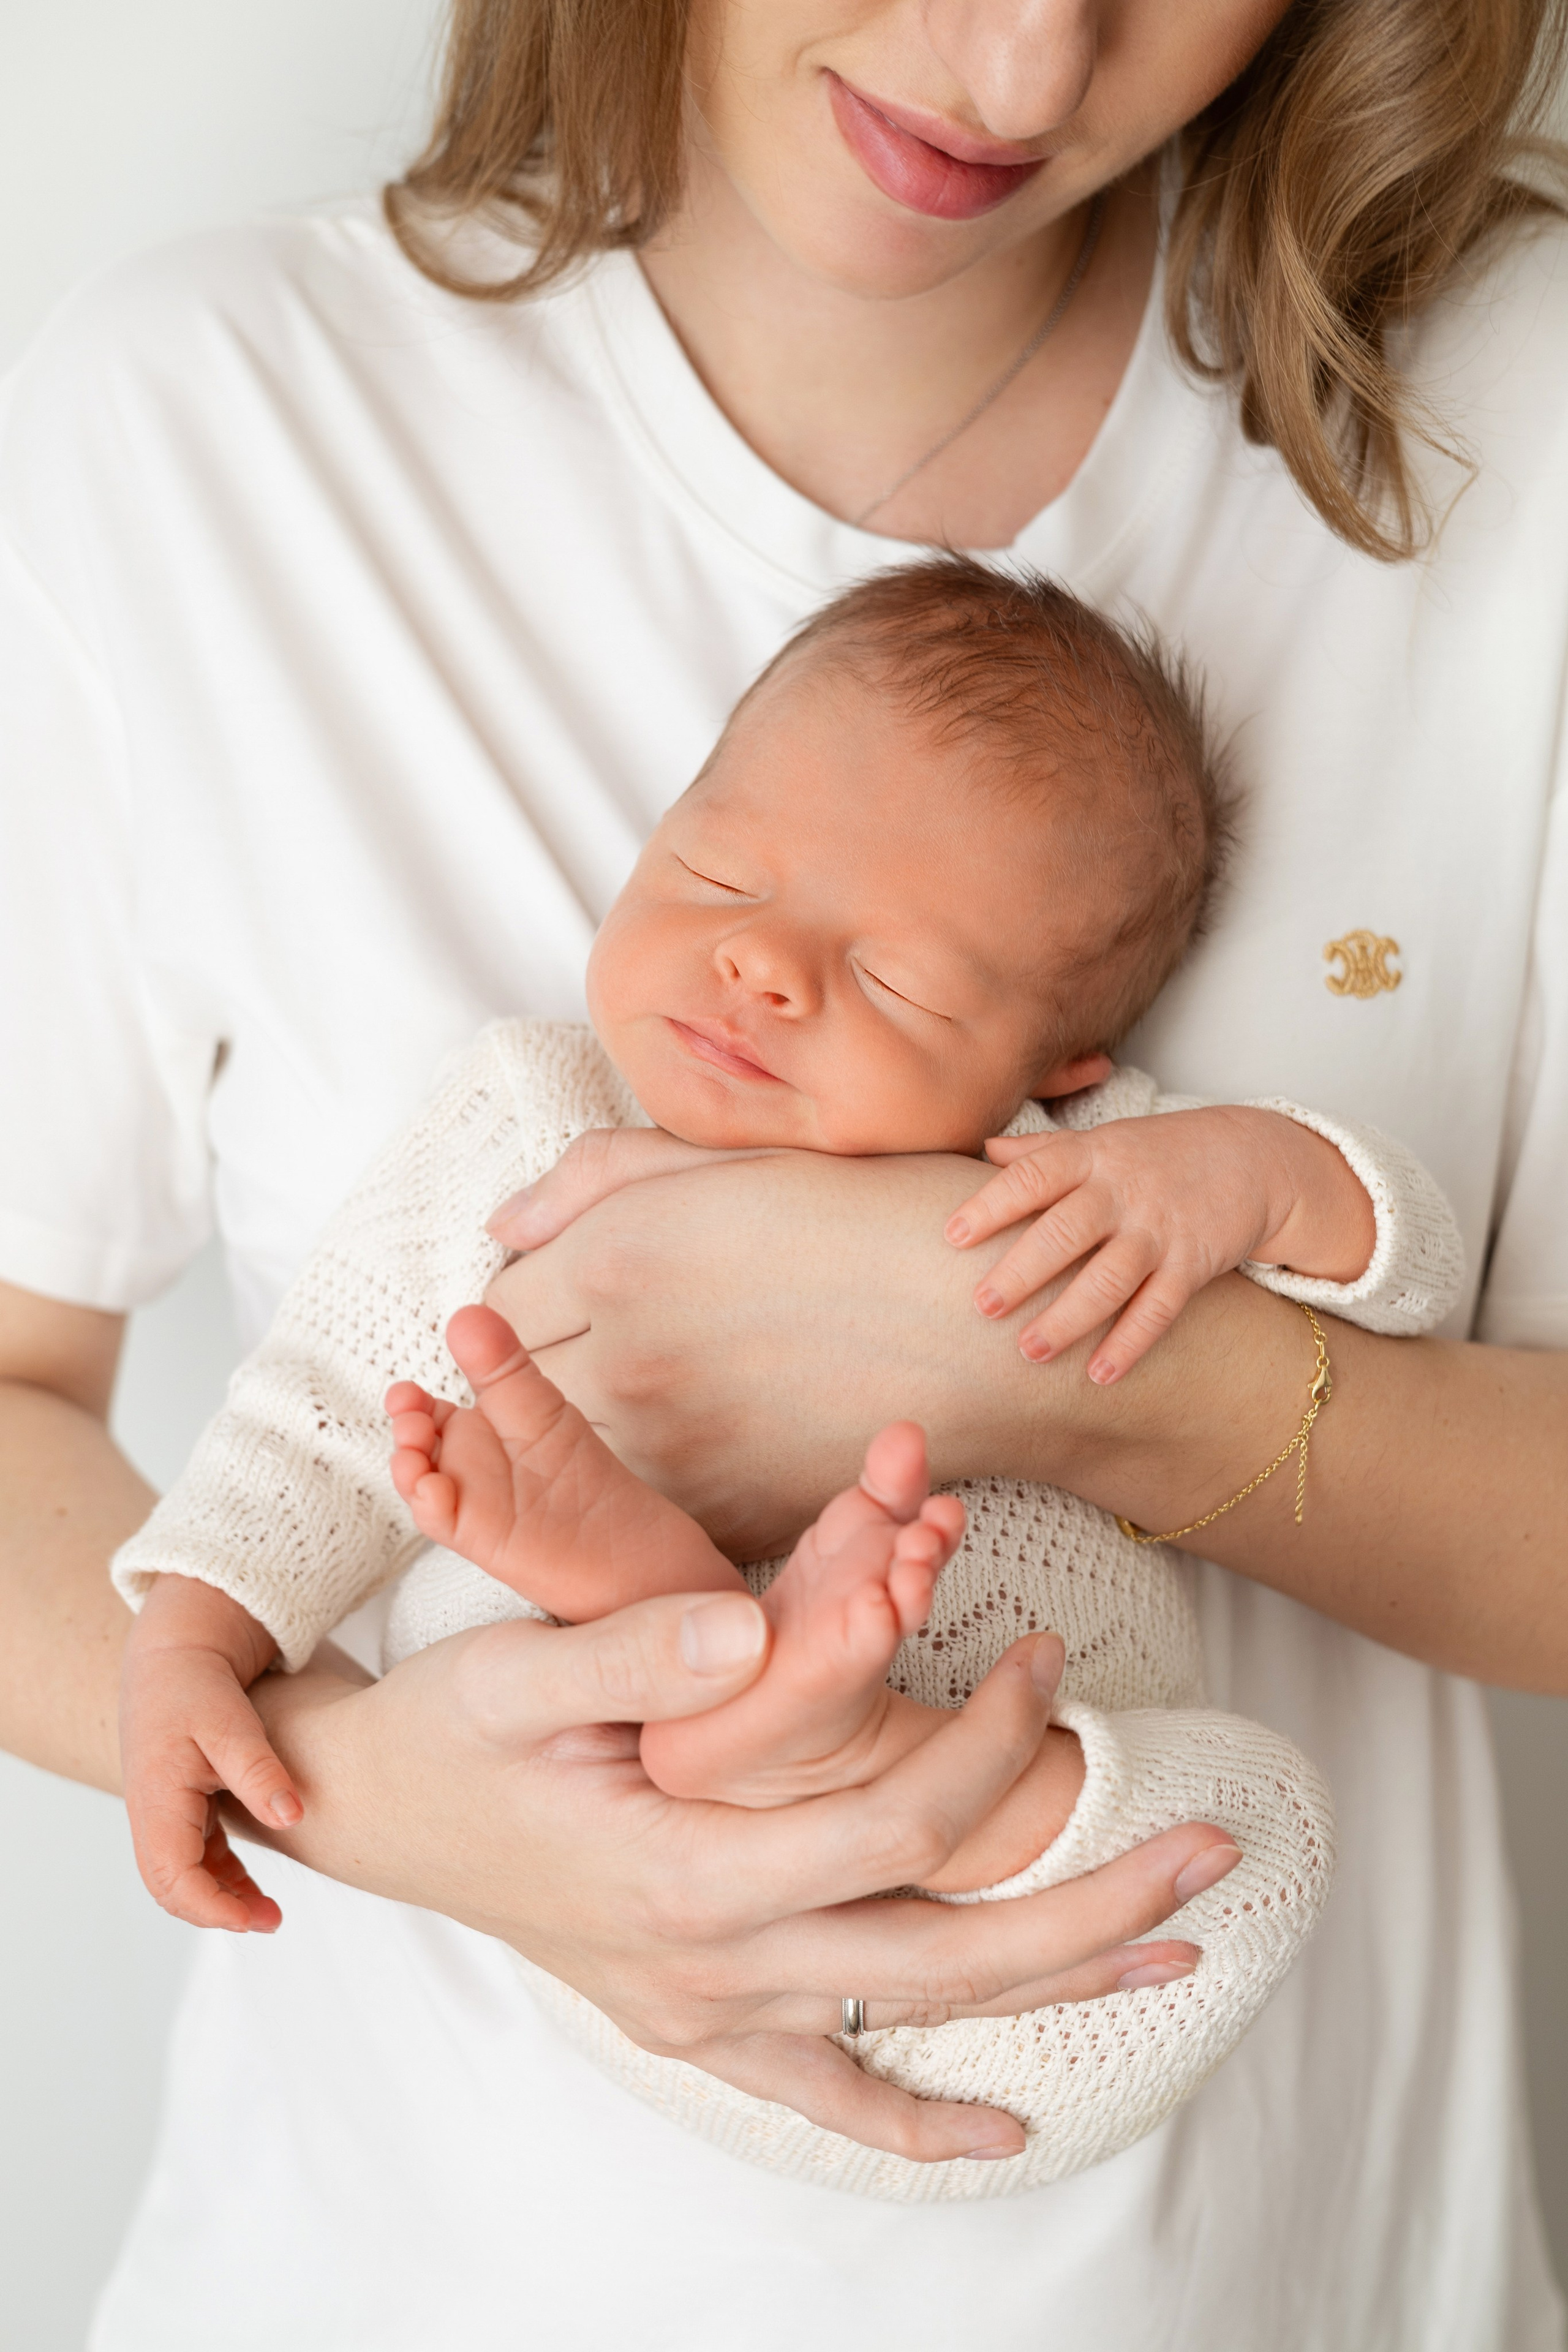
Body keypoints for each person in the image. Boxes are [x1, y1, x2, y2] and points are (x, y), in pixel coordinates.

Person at [0, 0, 1564, 2344]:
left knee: (1238, 1846)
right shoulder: (200, 426)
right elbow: (272, 1414)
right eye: (716, 884)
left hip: (1276, 2242)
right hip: (411, 2272)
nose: (1019, 67)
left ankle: (807, 1711)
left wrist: (1052, 1349)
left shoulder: (1512, 412)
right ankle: (754, 1690)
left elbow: (1368, 1238)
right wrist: (351, 1775)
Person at [114, 559, 1466, 2189]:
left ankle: (842, 1738)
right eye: (718, 870)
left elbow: (1408, 1285)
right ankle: (705, 1648)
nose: (763, 968)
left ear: (1057, 1065)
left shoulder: (1072, 1182)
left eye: (895, 978)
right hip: (625, 1864)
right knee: (473, 1531)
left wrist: (1250, 1172)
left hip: (1011, 1825)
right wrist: (196, 1628)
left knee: (1262, 1837)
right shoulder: (532, 1116)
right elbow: (322, 1408)